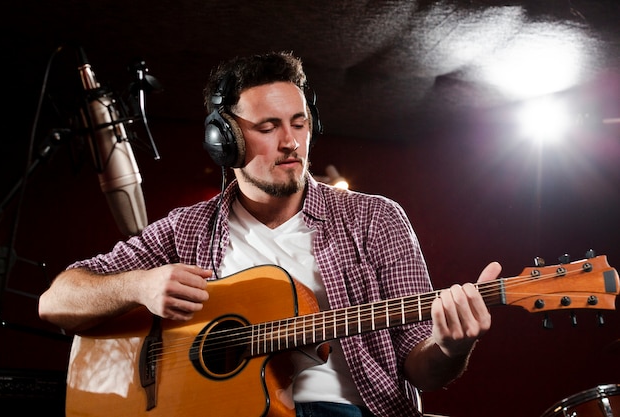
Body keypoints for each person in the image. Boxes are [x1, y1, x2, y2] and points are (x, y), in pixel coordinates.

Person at [38, 51, 501, 417]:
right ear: (226, 141)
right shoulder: (187, 229)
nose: (291, 142)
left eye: (299, 124)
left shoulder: (376, 220)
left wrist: (450, 346)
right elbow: (56, 301)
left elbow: (421, 369)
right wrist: (139, 284)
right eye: (268, 127)